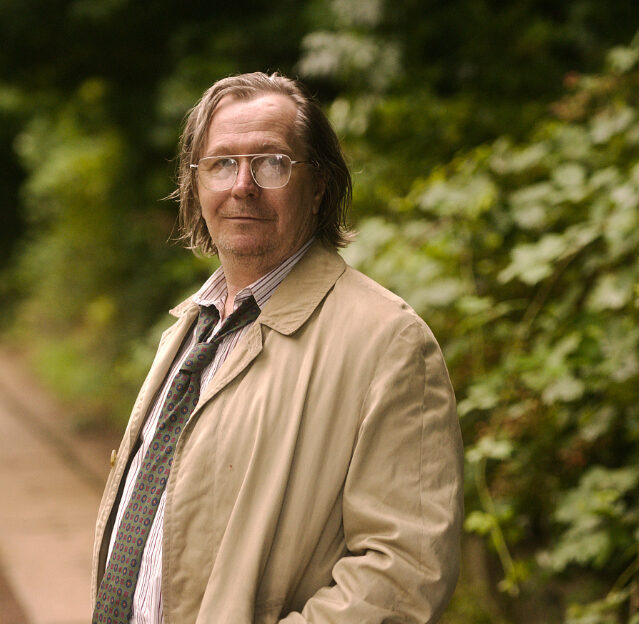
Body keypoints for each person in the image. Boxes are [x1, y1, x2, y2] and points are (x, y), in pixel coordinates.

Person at [92, 71, 463, 624]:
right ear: (196, 185)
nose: (243, 185)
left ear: (318, 186)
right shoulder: (193, 326)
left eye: (272, 163)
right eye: (221, 163)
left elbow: (404, 573)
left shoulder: (387, 343)